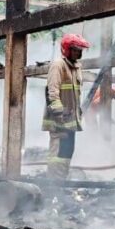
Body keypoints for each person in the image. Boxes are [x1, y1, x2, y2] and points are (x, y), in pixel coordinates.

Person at [43, 33, 90, 179]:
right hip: (60, 119)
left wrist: (77, 112)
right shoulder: (58, 65)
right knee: (58, 152)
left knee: (67, 151)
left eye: (80, 50)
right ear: (67, 49)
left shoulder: (76, 67)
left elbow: (75, 94)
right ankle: (53, 182)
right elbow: (53, 91)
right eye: (75, 49)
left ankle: (61, 179)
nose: (78, 52)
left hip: (70, 119)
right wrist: (59, 112)